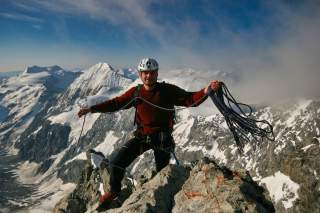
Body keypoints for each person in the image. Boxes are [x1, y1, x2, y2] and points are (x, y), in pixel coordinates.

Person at [77, 58, 220, 210]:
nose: (148, 76)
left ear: (156, 73)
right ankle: (114, 191)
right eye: (145, 73)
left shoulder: (166, 91)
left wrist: (207, 90)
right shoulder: (136, 93)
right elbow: (116, 103)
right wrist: (92, 109)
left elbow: (189, 99)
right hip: (142, 137)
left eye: (151, 73)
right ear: (140, 74)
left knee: (162, 174)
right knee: (116, 163)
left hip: (162, 139)